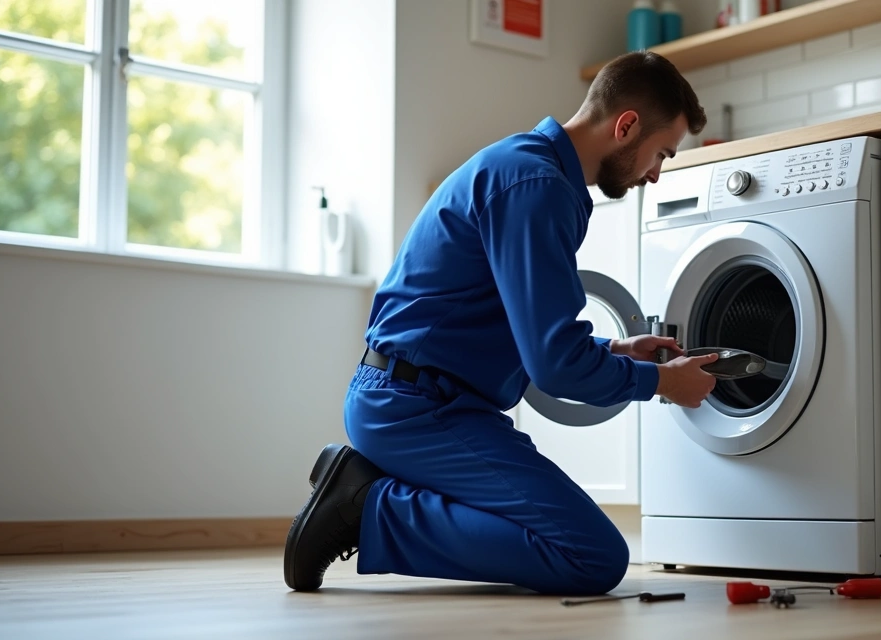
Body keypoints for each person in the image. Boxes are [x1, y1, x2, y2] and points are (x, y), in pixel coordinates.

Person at [283, 51, 717, 596]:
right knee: (594, 556)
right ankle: (364, 505)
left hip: (425, 400)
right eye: (661, 154)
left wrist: (617, 350)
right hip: (414, 409)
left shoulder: (529, 168)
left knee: (573, 543)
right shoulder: (537, 187)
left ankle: (369, 496)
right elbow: (556, 367)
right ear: (626, 125)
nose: (655, 174)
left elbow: (525, 332)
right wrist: (661, 384)